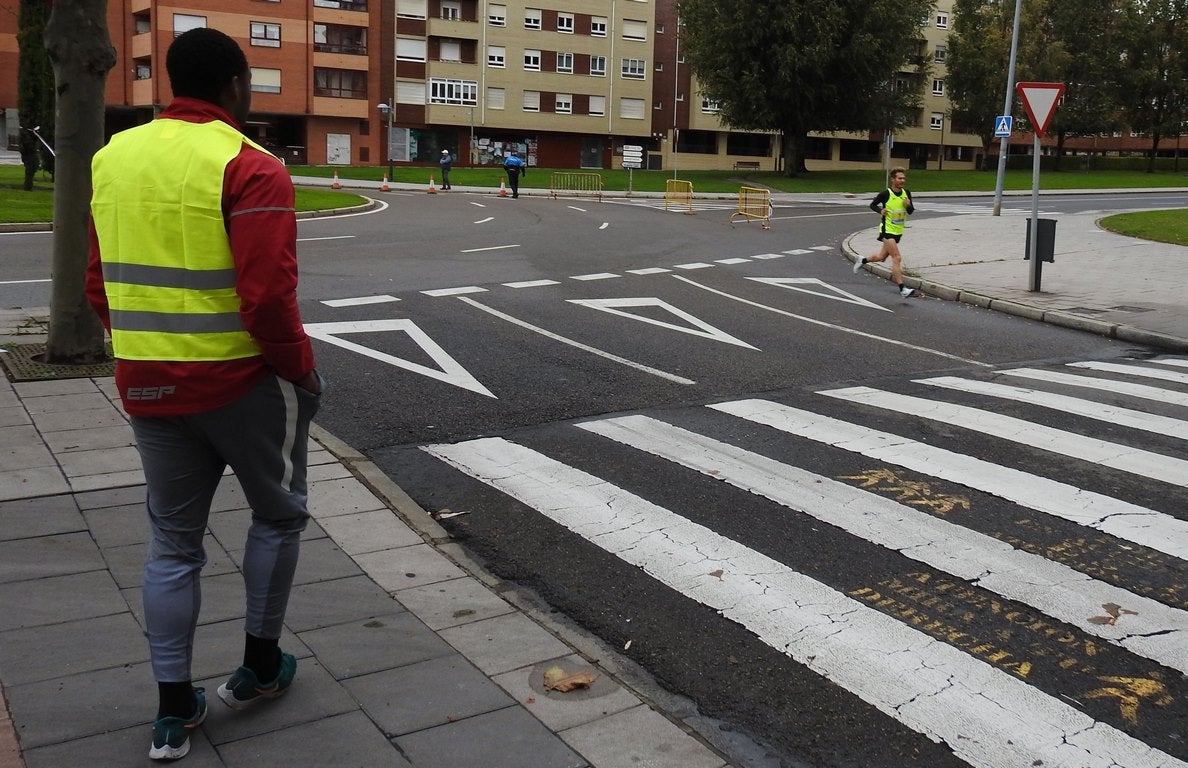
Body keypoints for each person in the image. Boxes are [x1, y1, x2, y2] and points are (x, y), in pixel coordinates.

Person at [86, 27, 322, 762]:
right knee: (278, 516)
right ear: (236, 85)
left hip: (147, 382)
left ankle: (171, 709)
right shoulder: (250, 166)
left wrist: (145, 344)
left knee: (172, 544)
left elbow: (99, 285)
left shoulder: (113, 157)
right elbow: (267, 299)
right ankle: (257, 668)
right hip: (240, 381)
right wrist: (300, 370)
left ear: (168, 84)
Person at [853, 166, 916, 297]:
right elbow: (872, 204)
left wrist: (908, 205)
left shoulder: (906, 193)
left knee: (881, 257)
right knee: (897, 258)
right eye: (899, 178)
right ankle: (902, 289)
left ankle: (862, 260)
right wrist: (880, 211)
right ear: (893, 179)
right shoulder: (886, 194)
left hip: (898, 230)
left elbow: (910, 211)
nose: (902, 180)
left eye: (904, 178)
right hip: (887, 230)